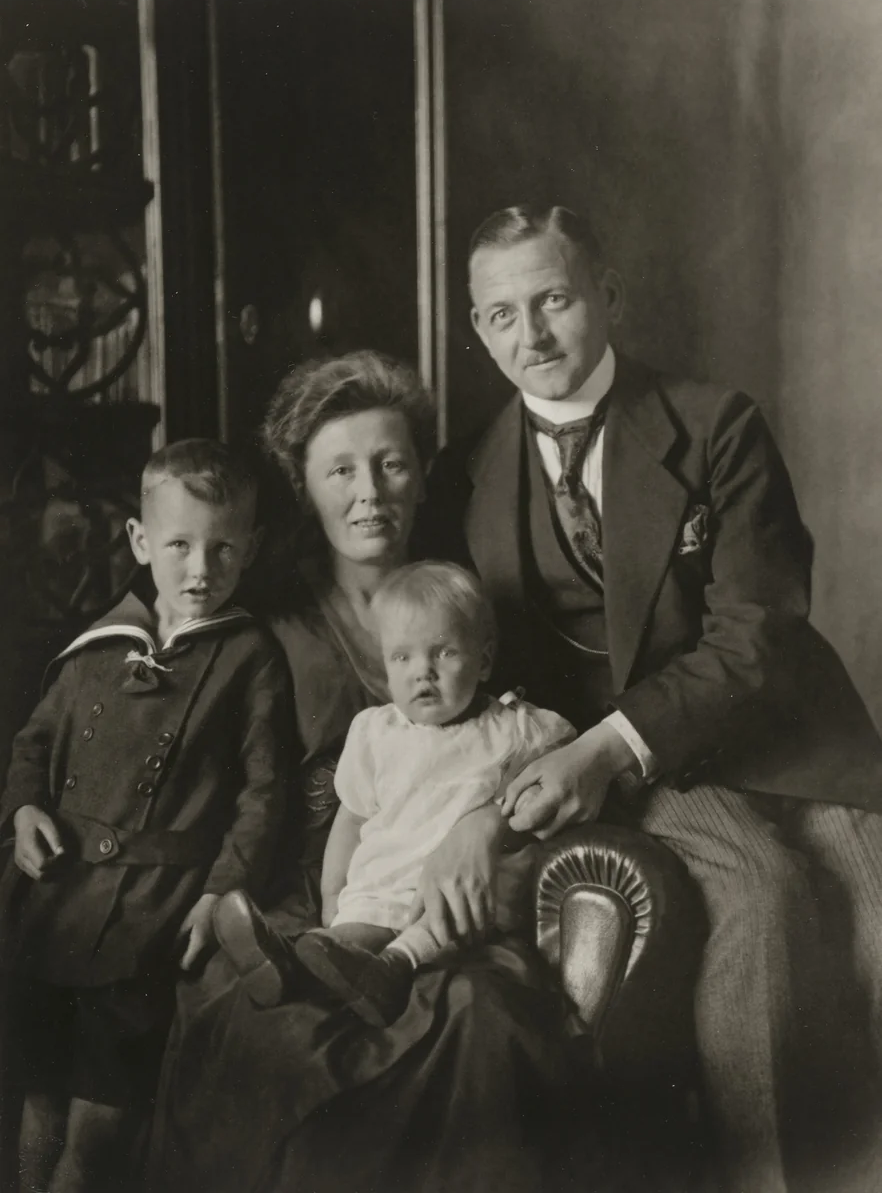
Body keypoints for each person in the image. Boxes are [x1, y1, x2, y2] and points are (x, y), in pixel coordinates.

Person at [419, 202, 882, 1193]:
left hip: (784, 734)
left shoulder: (716, 424)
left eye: (554, 300)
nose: (532, 336)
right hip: (642, 764)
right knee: (764, 897)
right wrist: (573, 764)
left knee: (877, 902)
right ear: (476, 326)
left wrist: (616, 743)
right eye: (501, 316)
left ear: (608, 296)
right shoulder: (467, 475)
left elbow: (760, 626)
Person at [148, 352, 589, 1193]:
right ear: (303, 486)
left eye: (391, 464)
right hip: (307, 886)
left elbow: (541, 746)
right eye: (339, 470)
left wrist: (487, 822)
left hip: (452, 889)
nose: (369, 492)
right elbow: (155, 608)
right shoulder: (261, 602)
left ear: (422, 476)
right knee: (252, 1018)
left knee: (481, 1020)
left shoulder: (475, 599)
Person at [0, 439, 293, 1193]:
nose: (202, 570)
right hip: (55, 902)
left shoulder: (249, 655)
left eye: (225, 548)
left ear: (251, 547)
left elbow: (265, 795)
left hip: (150, 914)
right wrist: (25, 807)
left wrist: (216, 894)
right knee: (39, 1106)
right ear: (140, 541)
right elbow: (34, 740)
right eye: (180, 545)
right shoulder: (101, 640)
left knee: (100, 1132)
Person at [212, 560, 575, 1026]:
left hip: (462, 891)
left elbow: (565, 754)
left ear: (483, 661)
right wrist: (333, 896)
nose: (422, 672)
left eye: (442, 653)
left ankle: (390, 967)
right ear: (385, 667)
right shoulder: (376, 731)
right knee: (349, 934)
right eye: (402, 658)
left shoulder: (513, 727)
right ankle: (291, 963)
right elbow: (352, 818)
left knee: (454, 912)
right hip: (380, 884)